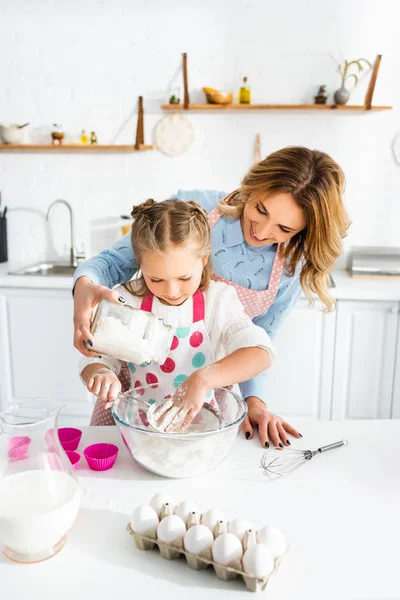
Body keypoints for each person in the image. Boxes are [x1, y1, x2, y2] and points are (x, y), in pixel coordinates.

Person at [73, 146, 349, 446]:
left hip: (208, 397)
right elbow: (113, 265)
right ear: (252, 186)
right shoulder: (195, 210)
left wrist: (253, 402)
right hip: (137, 399)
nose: (262, 230)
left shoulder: (290, 266)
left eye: (284, 228)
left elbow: (260, 340)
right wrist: (84, 290)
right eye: (260, 209)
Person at [80, 198, 276, 431]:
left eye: (184, 278)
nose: (171, 291)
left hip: (204, 429)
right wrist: (101, 373)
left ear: (204, 259)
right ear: (140, 265)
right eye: (156, 279)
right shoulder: (127, 300)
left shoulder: (218, 300)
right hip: (141, 426)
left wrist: (202, 379)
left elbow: (261, 354)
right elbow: (96, 359)